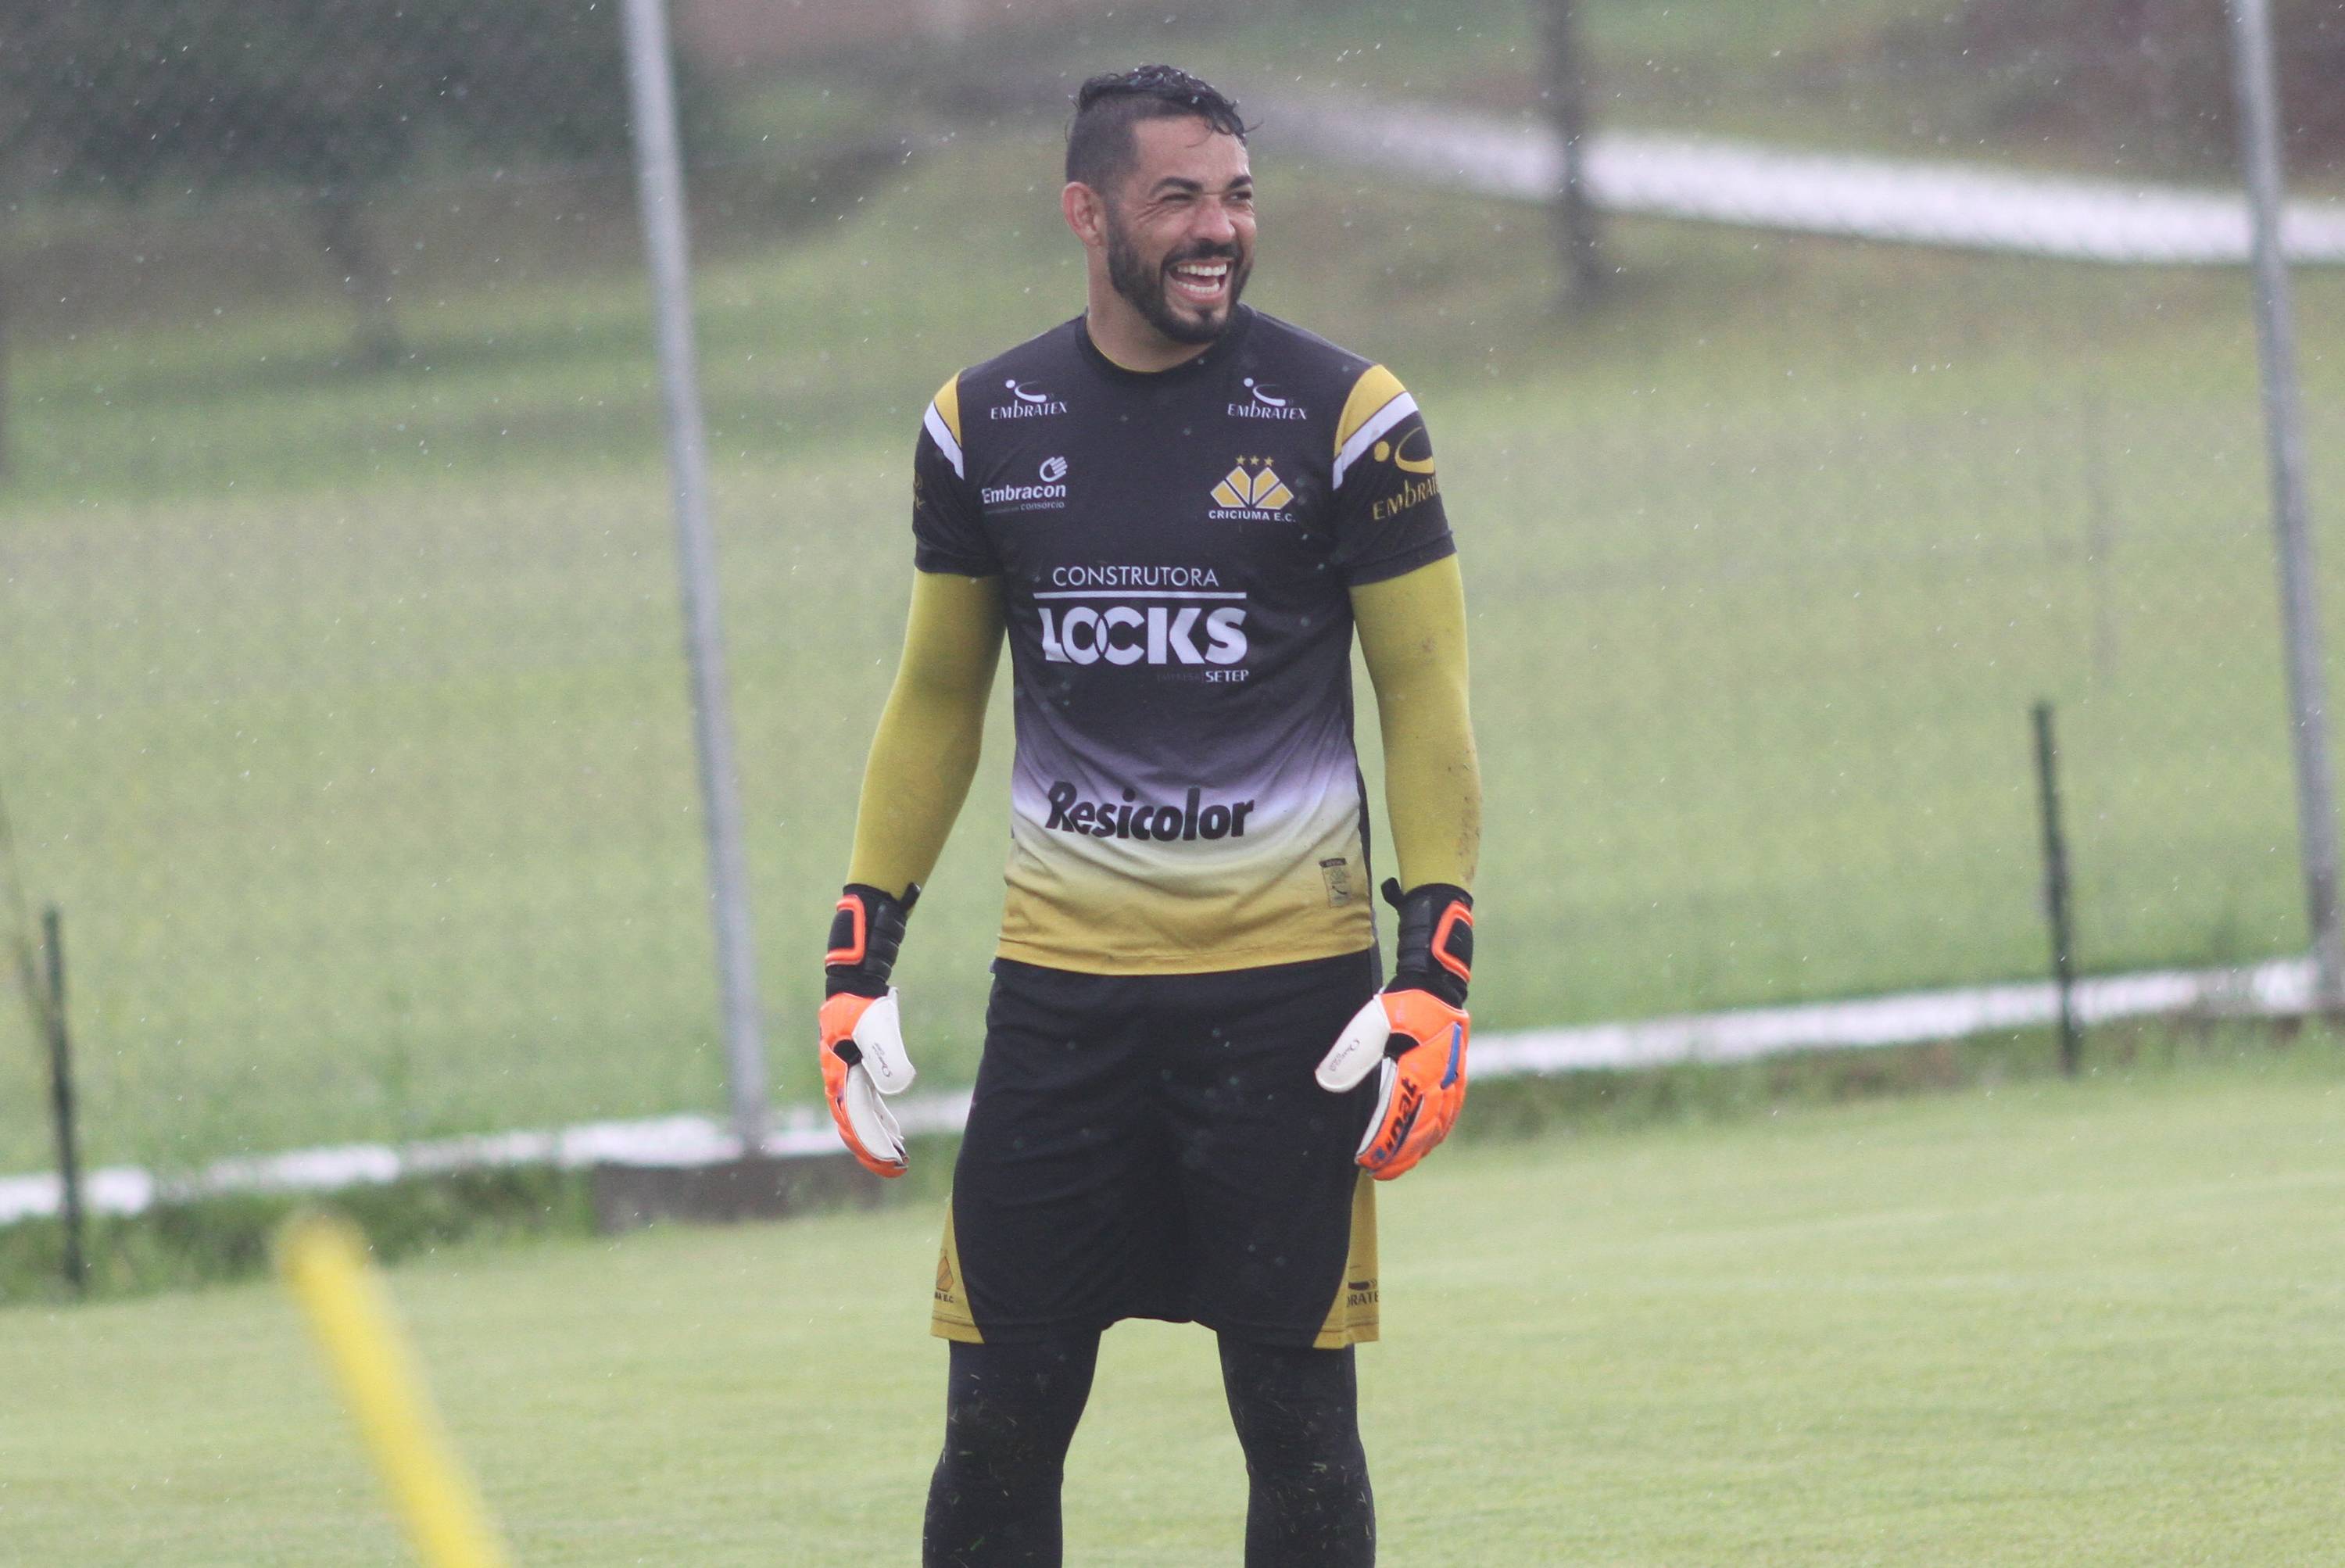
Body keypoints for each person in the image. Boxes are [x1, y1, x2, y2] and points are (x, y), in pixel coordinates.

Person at [816, 64, 1481, 1567]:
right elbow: (936, 698)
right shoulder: (982, 422)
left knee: (1299, 1426)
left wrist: (1435, 968)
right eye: (1178, 198)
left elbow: (1425, 693)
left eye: (1237, 197)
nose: (1218, 230)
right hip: (1062, 1012)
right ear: (1086, 211)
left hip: (1292, 1014)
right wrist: (860, 951)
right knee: (998, 1419)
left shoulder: (1353, 417)